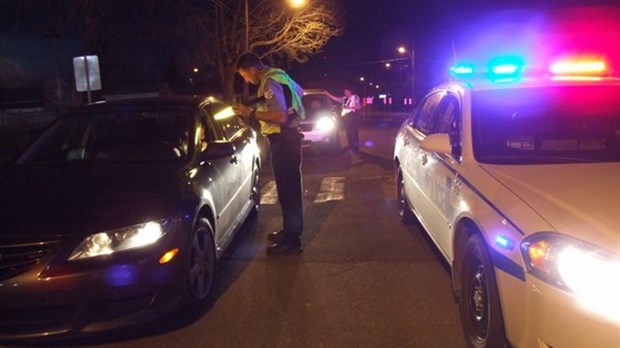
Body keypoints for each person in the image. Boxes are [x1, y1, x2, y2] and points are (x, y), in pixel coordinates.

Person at [232, 52, 305, 255]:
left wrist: (252, 113)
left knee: (288, 192)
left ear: (252, 69)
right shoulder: (280, 76)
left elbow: (280, 116)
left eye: (244, 75)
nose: (245, 80)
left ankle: (291, 242)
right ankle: (290, 232)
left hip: (283, 140)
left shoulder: (269, 81)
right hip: (289, 139)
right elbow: (300, 93)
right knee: (289, 190)